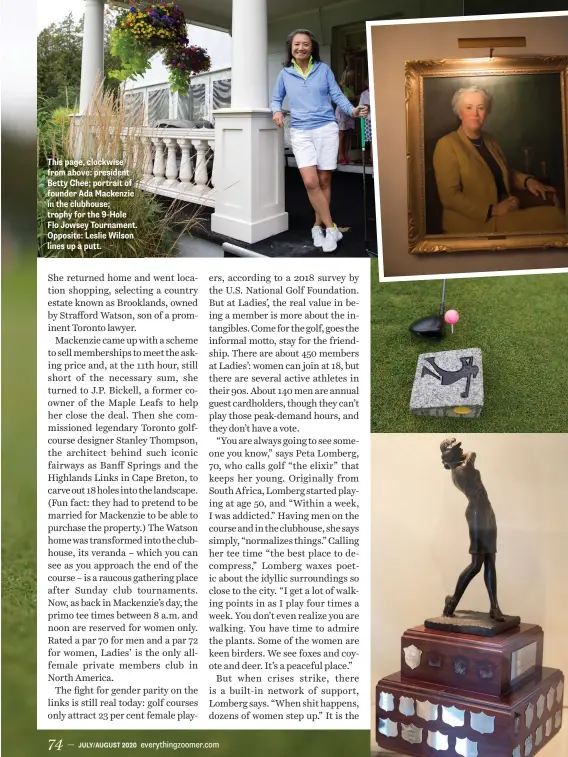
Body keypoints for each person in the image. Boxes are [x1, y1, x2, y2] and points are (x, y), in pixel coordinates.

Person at [271, 29, 368, 253]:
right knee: (310, 182)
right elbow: (276, 98)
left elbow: (337, 95)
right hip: (301, 132)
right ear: (291, 48)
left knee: (324, 181)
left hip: (326, 129)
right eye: (297, 44)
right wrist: (276, 111)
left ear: (312, 47)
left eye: (305, 44)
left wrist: (352, 111)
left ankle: (317, 226)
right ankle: (332, 227)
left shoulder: (323, 70)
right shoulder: (285, 74)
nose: (301, 48)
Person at [433, 86, 565, 234]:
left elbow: (504, 172)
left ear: (487, 112)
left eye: (481, 108)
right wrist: (493, 210)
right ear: (459, 112)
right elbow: (449, 197)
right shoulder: (447, 144)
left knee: (557, 209)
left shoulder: (490, 140)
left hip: (506, 209)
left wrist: (528, 181)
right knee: (558, 219)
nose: (475, 114)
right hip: (478, 224)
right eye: (469, 107)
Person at [440, 438, 505, 622]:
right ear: (449, 455)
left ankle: (494, 607)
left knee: (490, 559)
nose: (461, 451)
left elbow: (469, 454)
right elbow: (472, 453)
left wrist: (452, 458)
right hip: (477, 514)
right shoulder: (461, 469)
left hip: (487, 511)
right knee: (477, 564)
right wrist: (456, 458)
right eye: (456, 450)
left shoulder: (458, 467)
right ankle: (452, 602)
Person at [336, 69, 356, 165]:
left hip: (350, 111)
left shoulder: (351, 86)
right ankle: (341, 157)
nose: (351, 79)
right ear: (345, 77)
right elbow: (339, 99)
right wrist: (354, 97)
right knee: (341, 134)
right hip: (341, 111)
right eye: (350, 77)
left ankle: (347, 155)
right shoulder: (339, 86)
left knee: (348, 134)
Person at [358, 80, 372, 164]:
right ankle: (373, 162)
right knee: (371, 142)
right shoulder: (364, 94)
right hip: (368, 120)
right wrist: (366, 107)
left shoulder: (377, 92)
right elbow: (360, 107)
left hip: (377, 119)